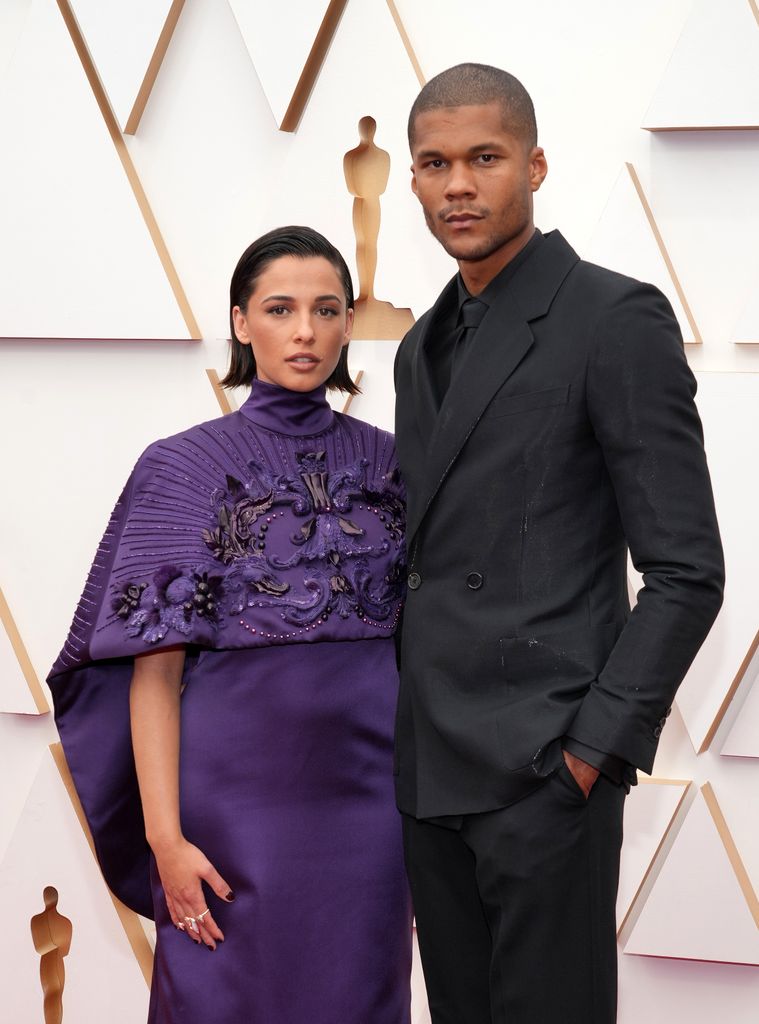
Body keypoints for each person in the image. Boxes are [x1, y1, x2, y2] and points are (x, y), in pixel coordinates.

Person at [393, 64, 724, 1024]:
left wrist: (590, 750)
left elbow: (686, 571)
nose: (458, 184)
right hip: (429, 768)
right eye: (435, 163)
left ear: (534, 166)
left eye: (484, 158)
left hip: (543, 768)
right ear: (411, 180)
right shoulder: (420, 345)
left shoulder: (611, 316)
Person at [48, 226, 412, 1023]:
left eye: (325, 309)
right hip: (231, 813)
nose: (306, 331)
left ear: (350, 322)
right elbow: (153, 674)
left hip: (372, 818)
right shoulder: (182, 466)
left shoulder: (396, 464)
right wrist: (164, 841)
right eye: (280, 309)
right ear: (243, 322)